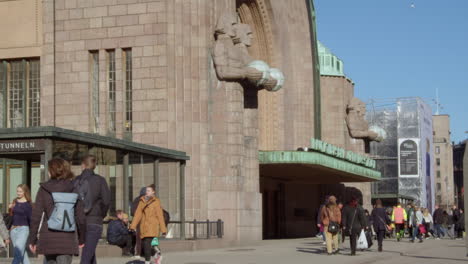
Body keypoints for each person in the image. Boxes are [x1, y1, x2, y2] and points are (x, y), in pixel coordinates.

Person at [28, 158, 86, 264]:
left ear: (51, 171)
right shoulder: (73, 188)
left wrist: (32, 240)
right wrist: (82, 238)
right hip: (67, 239)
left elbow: (36, 216)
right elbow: (80, 217)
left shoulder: (44, 189)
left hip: (48, 237)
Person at [74, 155, 111, 264]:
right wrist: (101, 214)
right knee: (87, 255)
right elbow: (106, 201)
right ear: (94, 166)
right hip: (94, 220)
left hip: (79, 221)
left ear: (83, 165)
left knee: (89, 253)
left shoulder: (76, 180)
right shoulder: (100, 180)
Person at [130, 185, 167, 264]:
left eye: (149, 191)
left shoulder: (156, 202)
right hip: (144, 227)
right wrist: (132, 226)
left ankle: (147, 261)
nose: (147, 192)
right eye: (146, 191)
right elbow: (137, 215)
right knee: (150, 244)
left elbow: (160, 216)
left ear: (153, 192)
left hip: (153, 227)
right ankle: (158, 254)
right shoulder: (142, 201)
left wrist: (163, 229)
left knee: (147, 244)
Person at [9, 184, 32, 264]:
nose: (18, 193)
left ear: (25, 192)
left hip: (23, 230)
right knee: (22, 252)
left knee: (18, 252)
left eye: (20, 191)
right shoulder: (14, 201)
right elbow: (12, 216)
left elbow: (31, 219)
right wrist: (10, 208)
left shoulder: (28, 205)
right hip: (13, 230)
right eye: (17, 191)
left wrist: (34, 233)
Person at [131, 187, 147, 259]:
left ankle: (138, 253)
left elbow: (132, 212)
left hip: (139, 222)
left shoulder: (137, 200)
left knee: (139, 239)